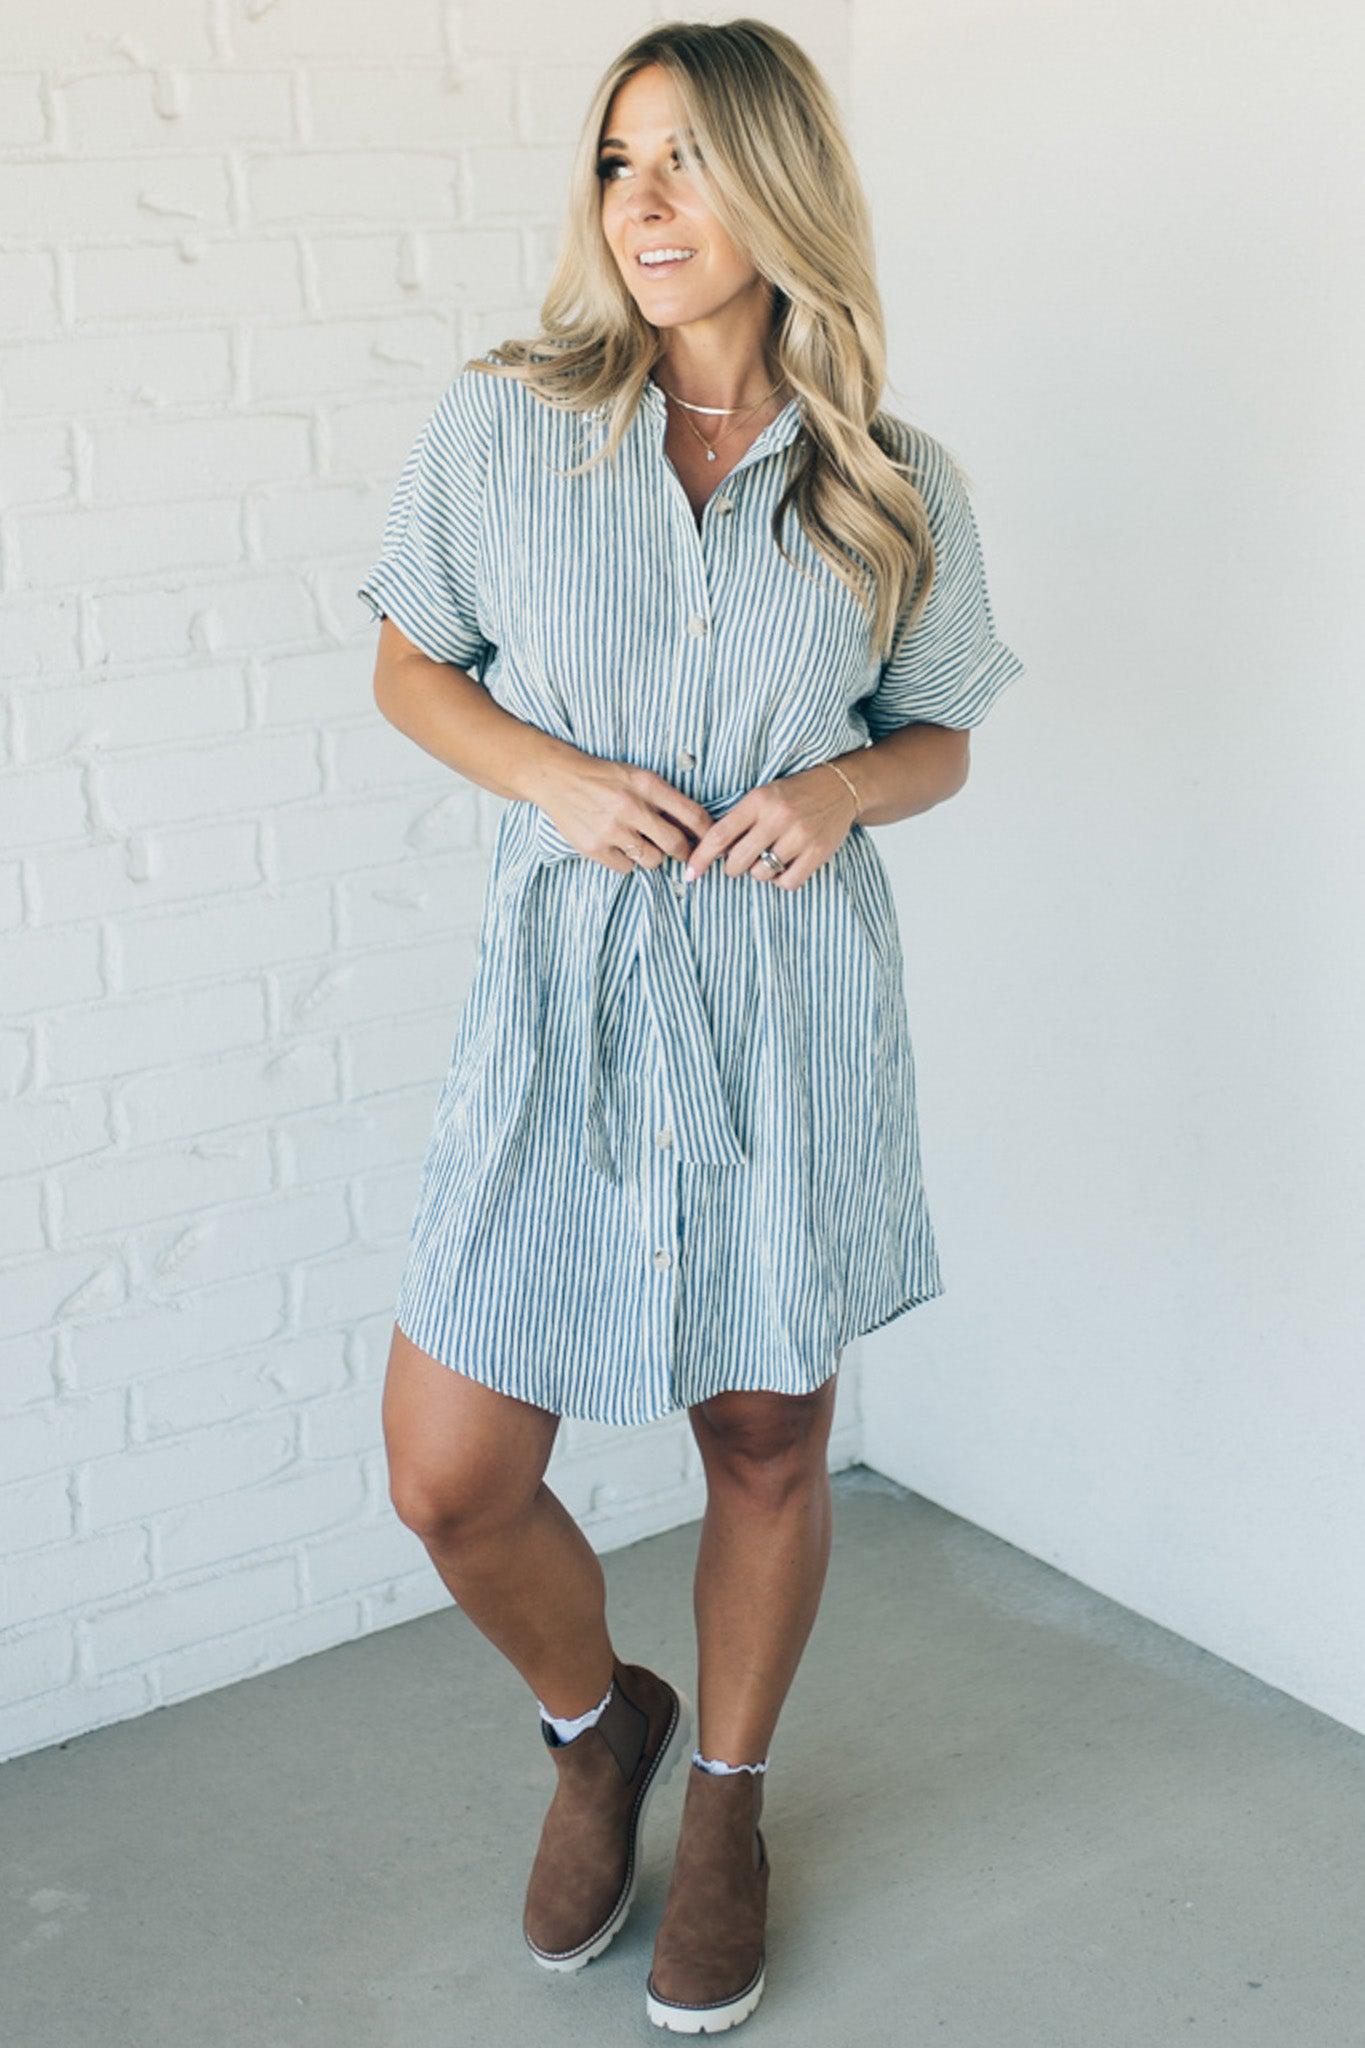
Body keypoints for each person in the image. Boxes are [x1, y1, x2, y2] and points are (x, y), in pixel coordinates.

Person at [357, 17, 1024, 2033]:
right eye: (614, 163)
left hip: (781, 1014)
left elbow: (936, 736)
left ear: (781, 188)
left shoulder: (893, 480)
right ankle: (600, 1728)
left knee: (763, 1434)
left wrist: (840, 789)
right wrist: (552, 777)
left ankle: (724, 1800)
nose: (640, 204)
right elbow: (409, 667)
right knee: (450, 1472)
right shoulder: (503, 427)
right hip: (559, 1010)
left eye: (687, 161)